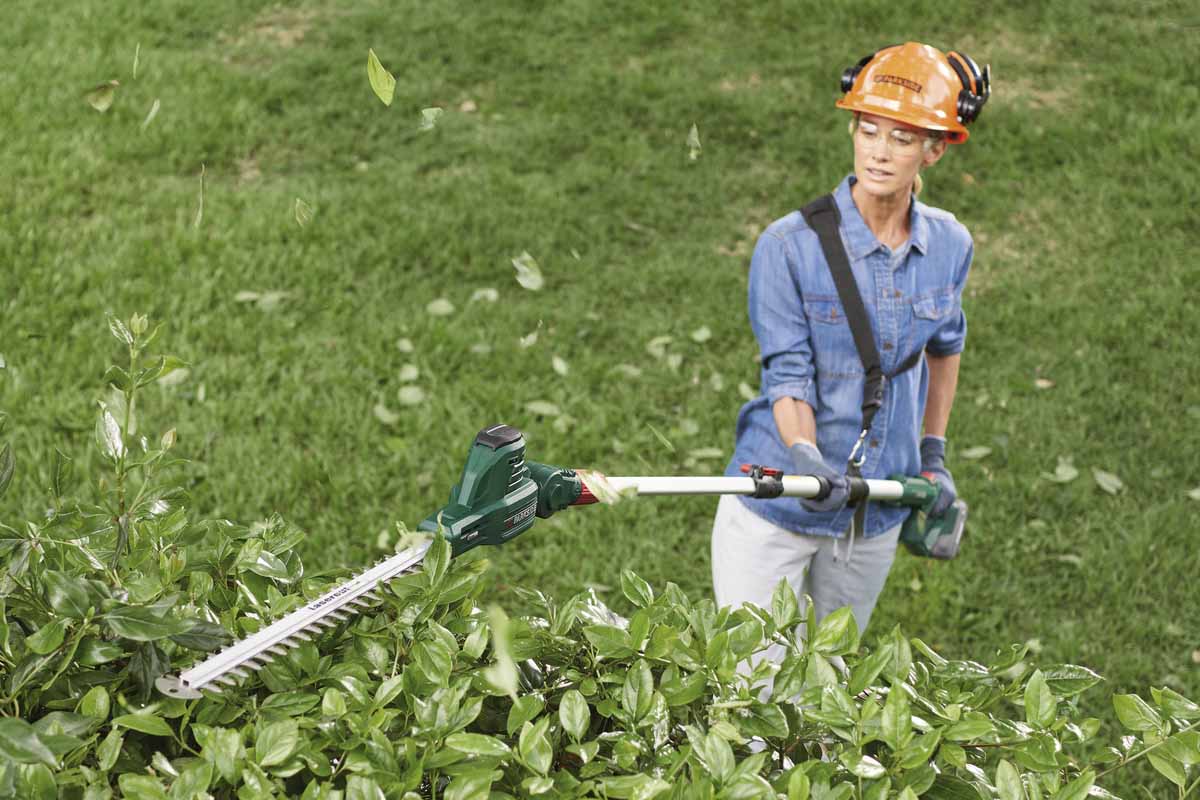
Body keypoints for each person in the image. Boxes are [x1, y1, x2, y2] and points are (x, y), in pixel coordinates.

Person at [712, 42, 990, 656]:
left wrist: (933, 455)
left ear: (935, 150)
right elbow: (788, 372)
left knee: (827, 685)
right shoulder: (788, 247)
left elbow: (946, 345)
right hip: (778, 508)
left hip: (874, 513)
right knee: (748, 690)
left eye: (900, 137)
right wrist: (805, 455)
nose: (879, 152)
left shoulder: (949, 244)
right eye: (868, 130)